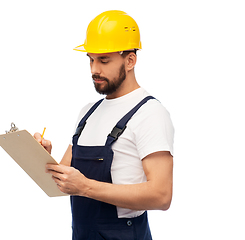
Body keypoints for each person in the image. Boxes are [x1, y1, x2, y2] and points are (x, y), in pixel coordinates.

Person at [34, 10, 174, 240]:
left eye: (104, 60)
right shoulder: (88, 113)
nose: (93, 70)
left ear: (130, 60)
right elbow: (63, 183)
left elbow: (161, 195)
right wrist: (41, 158)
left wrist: (85, 187)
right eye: (90, 59)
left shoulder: (150, 113)